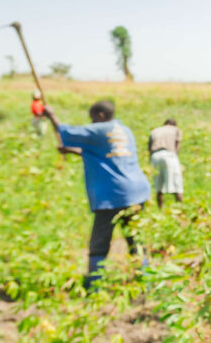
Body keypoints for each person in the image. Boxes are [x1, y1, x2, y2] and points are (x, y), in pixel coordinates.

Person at [42, 100, 151, 290]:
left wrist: (51, 115)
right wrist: (72, 151)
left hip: (113, 195)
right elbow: (107, 154)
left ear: (100, 115)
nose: (90, 121)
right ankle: (147, 281)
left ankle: (94, 284)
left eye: (92, 117)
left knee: (99, 243)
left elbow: (64, 132)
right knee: (136, 239)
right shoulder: (124, 130)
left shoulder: (98, 130)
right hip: (136, 192)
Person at [148, 118, 183, 209]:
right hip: (169, 155)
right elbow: (177, 147)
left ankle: (160, 209)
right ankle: (181, 209)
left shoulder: (155, 130)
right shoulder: (176, 129)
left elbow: (149, 149)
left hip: (155, 156)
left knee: (158, 186)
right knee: (176, 184)